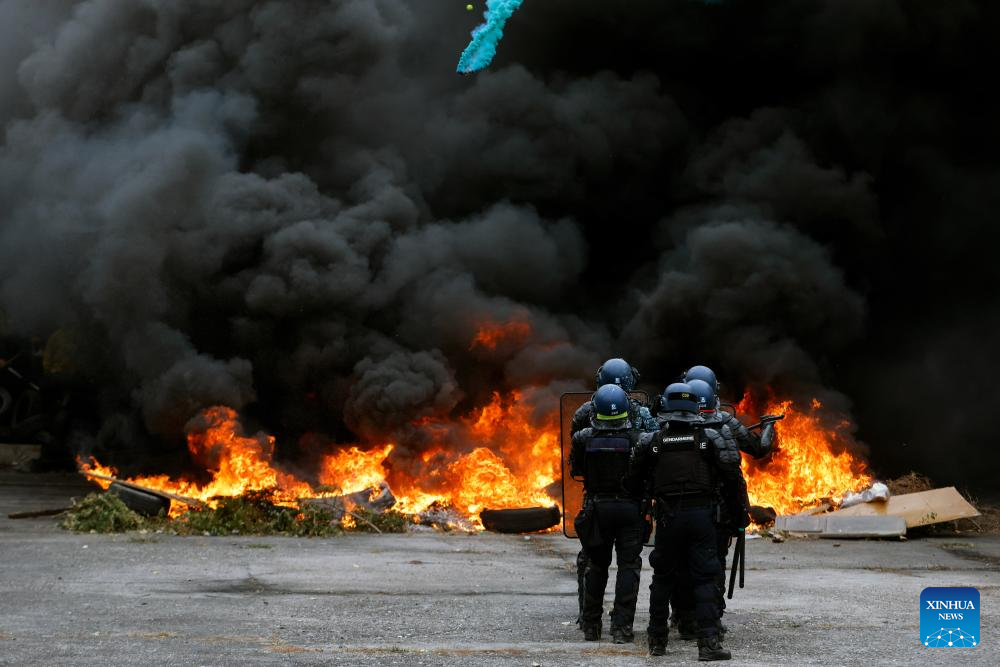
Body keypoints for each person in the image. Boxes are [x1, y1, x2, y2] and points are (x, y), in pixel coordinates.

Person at [631, 382, 750, 660]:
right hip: (701, 518)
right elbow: (733, 480)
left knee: (662, 578)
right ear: (696, 409)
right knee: (705, 578)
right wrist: (738, 517)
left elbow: (633, 482)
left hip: (668, 518)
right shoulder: (711, 438)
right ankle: (708, 644)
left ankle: (657, 641)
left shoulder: (652, 442)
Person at [570, 358, 657, 630]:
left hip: (596, 502)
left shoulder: (584, 417)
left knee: (592, 562)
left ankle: (589, 623)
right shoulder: (641, 418)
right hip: (632, 503)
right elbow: (655, 452)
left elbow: (576, 465)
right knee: (628, 565)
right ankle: (622, 629)